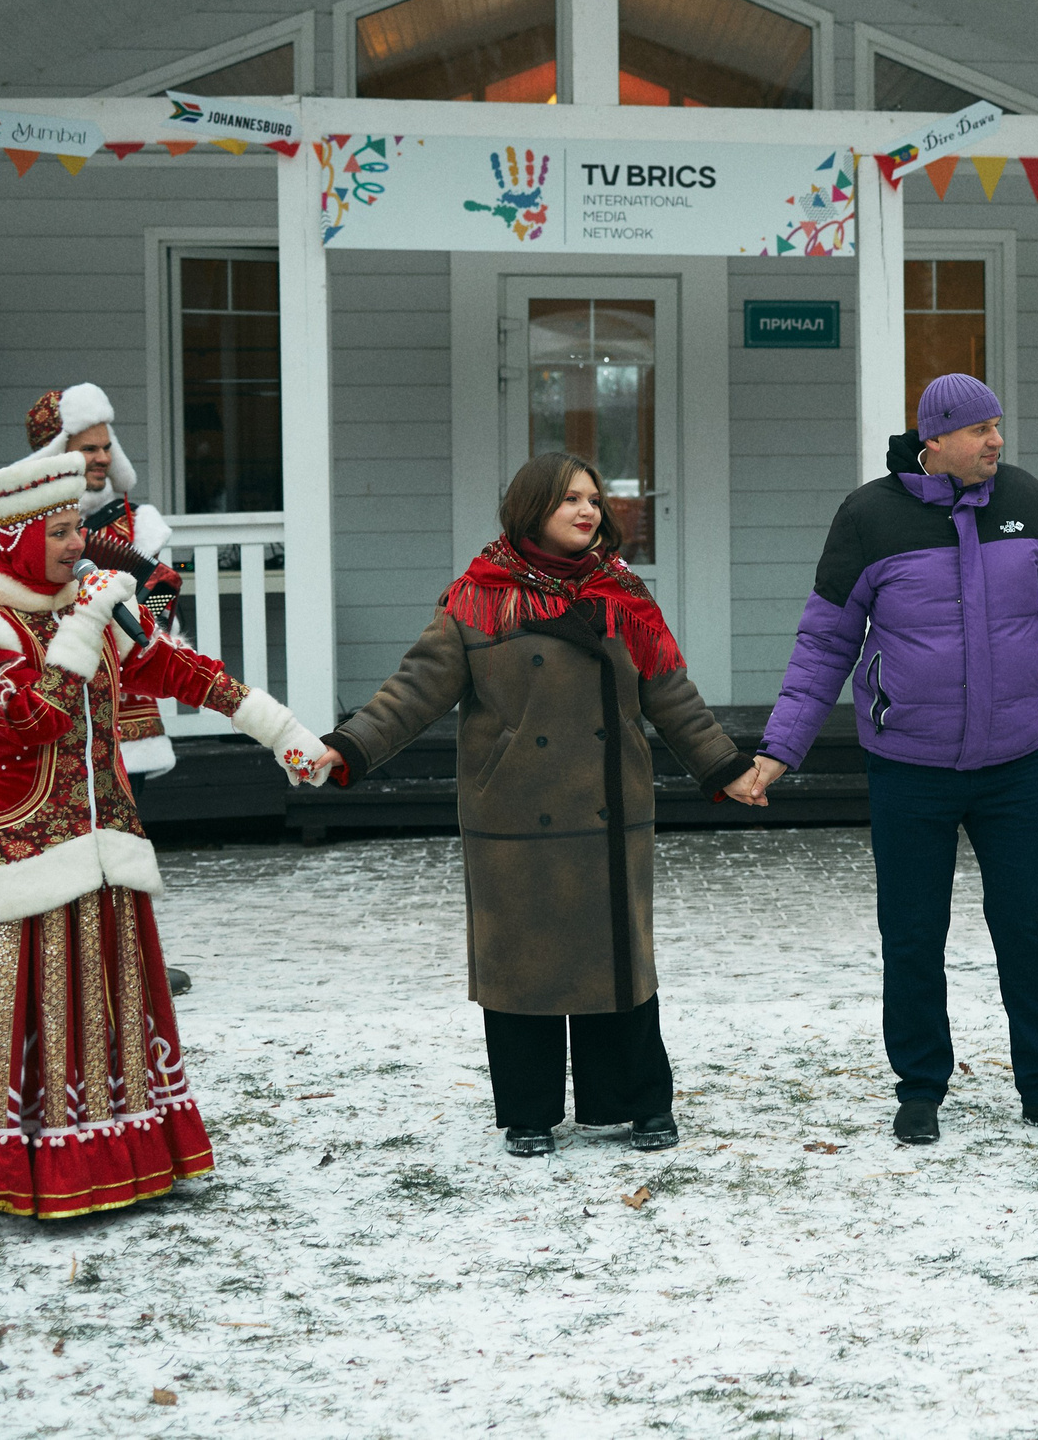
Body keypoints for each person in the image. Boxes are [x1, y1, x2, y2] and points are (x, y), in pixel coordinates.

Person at [0, 451, 329, 1218]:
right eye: (62, 532)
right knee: (28, 1007)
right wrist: (86, 620)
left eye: (79, 527)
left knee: (111, 1010)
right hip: (19, 859)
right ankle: (22, 1169)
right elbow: (32, 719)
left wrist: (284, 733)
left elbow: (182, 669)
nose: (80, 544)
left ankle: (121, 1161)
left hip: (106, 850)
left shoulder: (91, 604)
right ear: (14, 537)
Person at [310, 454, 763, 1158]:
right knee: (522, 967)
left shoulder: (623, 593)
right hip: (514, 814)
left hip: (610, 811)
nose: (587, 511)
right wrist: (348, 747)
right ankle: (529, 1111)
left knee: (619, 964)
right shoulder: (477, 598)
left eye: (593, 499)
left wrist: (724, 765)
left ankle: (637, 1102)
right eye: (568, 500)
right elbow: (412, 692)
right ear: (531, 510)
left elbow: (670, 691)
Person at [740, 375, 1038, 1148]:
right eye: (980, 429)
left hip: (1014, 764)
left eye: (998, 426)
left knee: (1029, 926)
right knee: (914, 932)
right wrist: (780, 747)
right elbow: (825, 642)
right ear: (936, 439)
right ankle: (921, 1087)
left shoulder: (1026, 501)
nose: (996, 441)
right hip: (908, 767)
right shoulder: (870, 516)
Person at [0, 386, 186, 781]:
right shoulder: (13, 528)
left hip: (124, 724)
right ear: (56, 454)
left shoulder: (135, 523)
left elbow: (158, 619)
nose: (104, 458)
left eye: (107, 447)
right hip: (48, 711)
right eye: (89, 449)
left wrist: (153, 613)